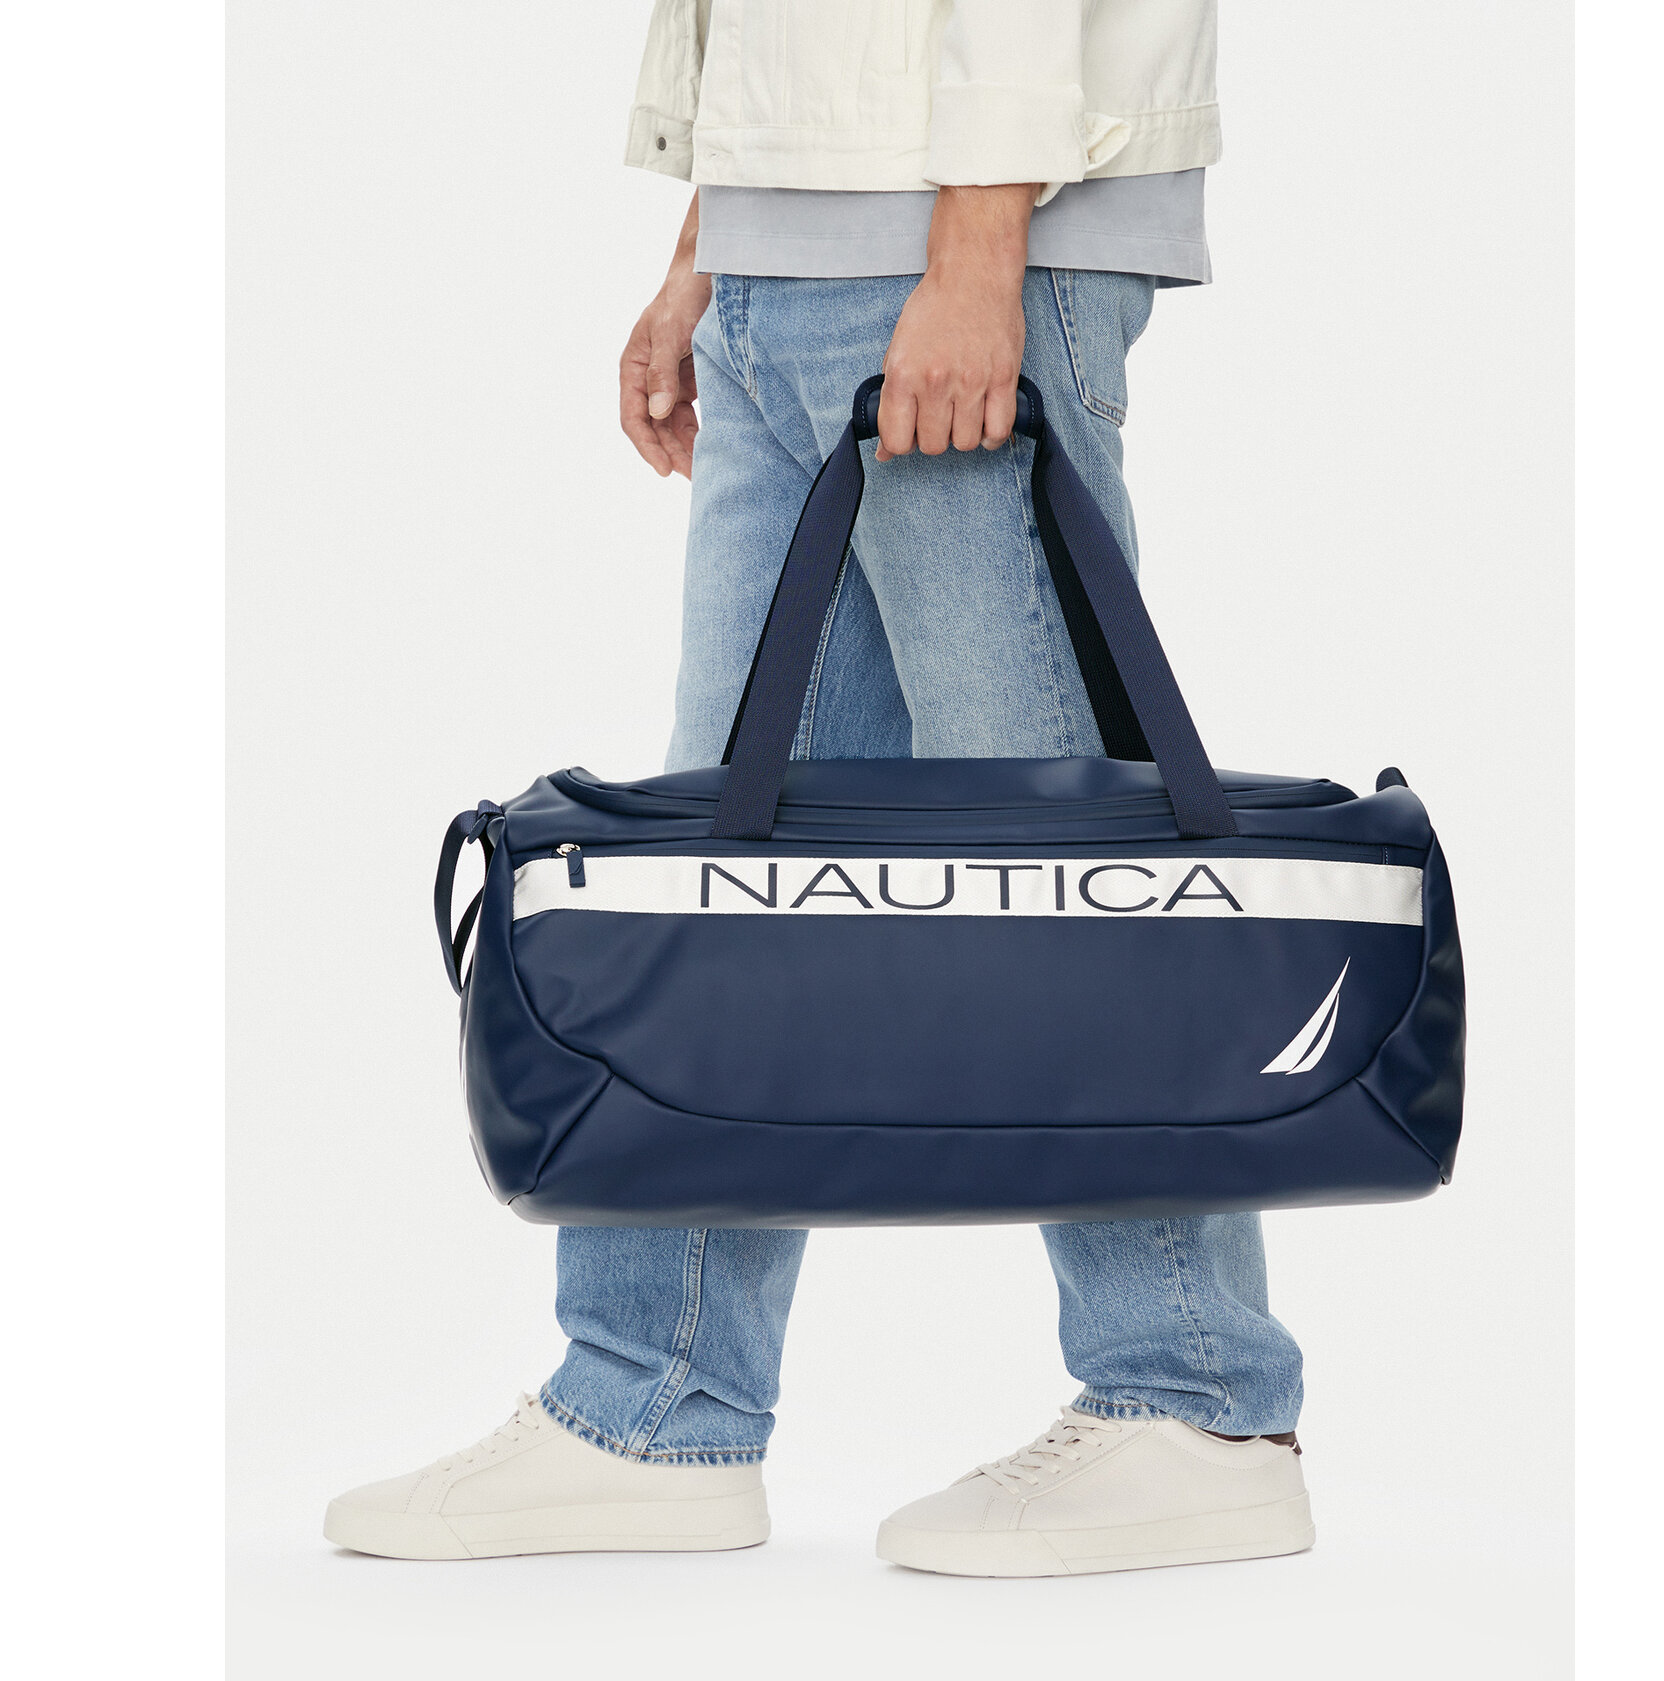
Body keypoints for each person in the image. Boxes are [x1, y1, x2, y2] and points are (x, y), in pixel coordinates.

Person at [326, 0, 1310, 1577]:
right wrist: (711, 237)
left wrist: (978, 247)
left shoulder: (978, 244)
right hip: (793, 245)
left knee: (1067, 870)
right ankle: (652, 1402)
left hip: (972, 227)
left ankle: (1194, 1401)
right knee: (726, 879)